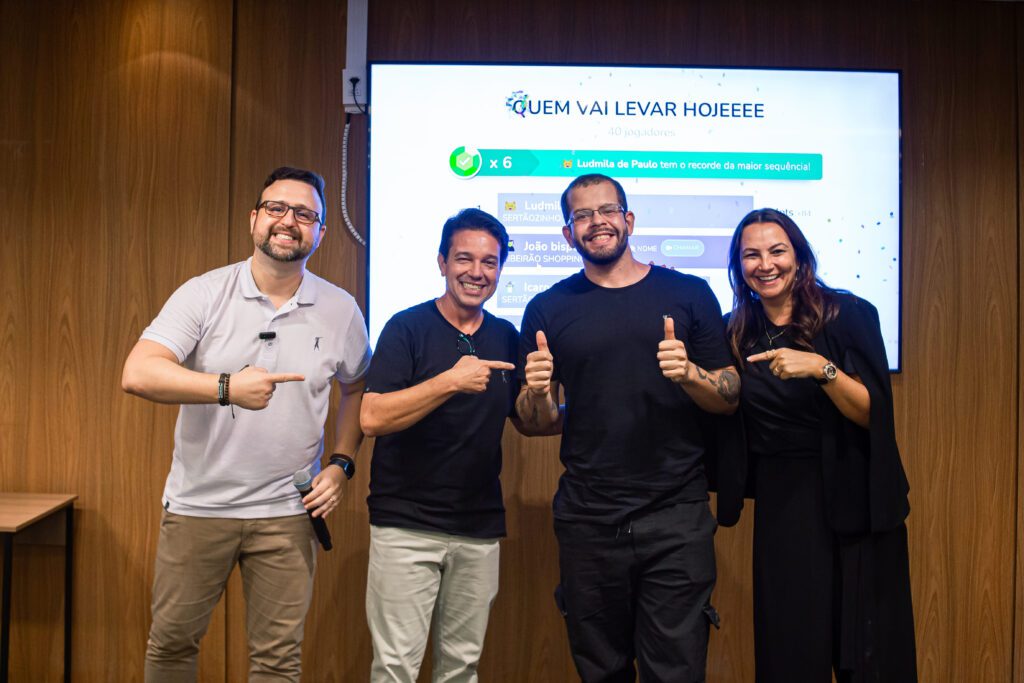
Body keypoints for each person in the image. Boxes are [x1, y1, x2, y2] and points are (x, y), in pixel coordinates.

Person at [121, 166, 370, 682]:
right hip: (198, 507)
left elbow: (357, 388)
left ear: (321, 232)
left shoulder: (341, 309)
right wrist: (226, 387)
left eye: (305, 214)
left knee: (278, 662)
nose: (289, 221)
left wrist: (342, 464)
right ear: (254, 219)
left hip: (288, 513)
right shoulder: (204, 293)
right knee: (171, 647)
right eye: (276, 208)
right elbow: (138, 372)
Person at [516, 174, 741, 682]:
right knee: (602, 671)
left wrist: (690, 374)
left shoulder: (688, 293)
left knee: (676, 672)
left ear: (628, 220)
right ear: (569, 234)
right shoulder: (548, 309)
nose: (597, 222)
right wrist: (534, 395)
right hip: (589, 520)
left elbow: (729, 394)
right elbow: (537, 425)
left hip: (676, 518)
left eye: (607, 210)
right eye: (582, 215)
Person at [360, 208, 552, 682]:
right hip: (406, 525)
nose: (476, 272)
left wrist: (542, 394)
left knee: (462, 669)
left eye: (490, 263)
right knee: (395, 668)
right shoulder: (406, 328)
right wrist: (449, 381)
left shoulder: (507, 337)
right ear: (442, 262)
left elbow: (531, 424)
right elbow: (372, 417)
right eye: (464, 259)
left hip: (478, 527)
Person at [725, 208, 916, 682]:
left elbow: (875, 413)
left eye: (777, 251)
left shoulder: (847, 314)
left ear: (799, 257)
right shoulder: (735, 331)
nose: (765, 264)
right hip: (783, 501)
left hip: (856, 496)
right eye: (751, 254)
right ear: (738, 266)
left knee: (871, 654)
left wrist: (822, 370)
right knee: (790, 648)